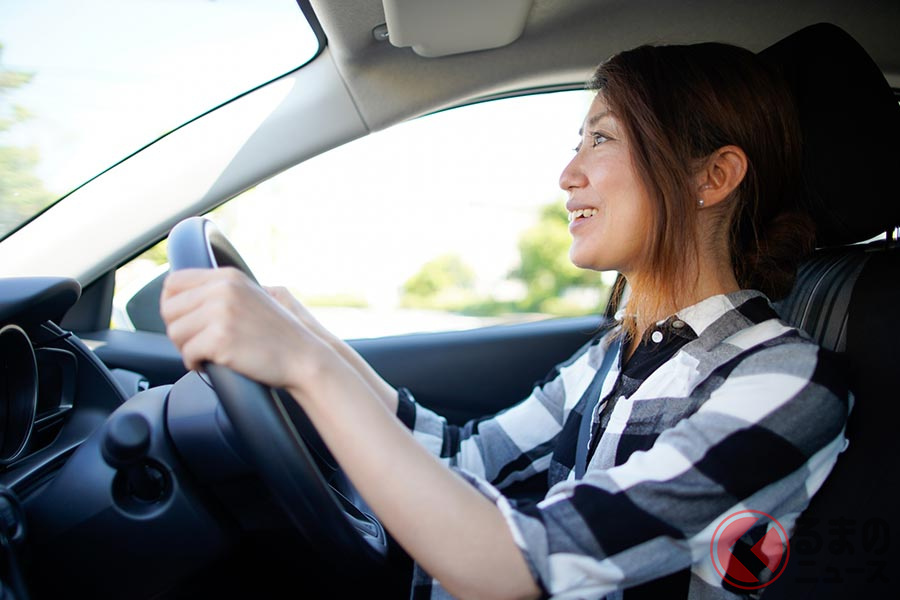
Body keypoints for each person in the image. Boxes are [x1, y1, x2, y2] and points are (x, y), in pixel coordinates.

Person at [160, 41, 849, 599]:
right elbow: (465, 458)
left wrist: (305, 369)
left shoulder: (787, 383)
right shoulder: (617, 352)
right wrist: (307, 332)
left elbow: (514, 569)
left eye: (602, 139)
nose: (568, 174)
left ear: (712, 177)